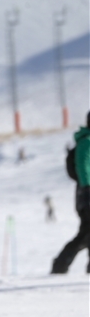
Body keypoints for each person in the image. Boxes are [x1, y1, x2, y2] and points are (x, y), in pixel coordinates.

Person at [51, 112, 90, 274]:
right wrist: (87, 188)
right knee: (86, 233)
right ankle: (60, 265)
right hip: (87, 194)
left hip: (85, 192)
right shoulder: (86, 142)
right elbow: (83, 167)